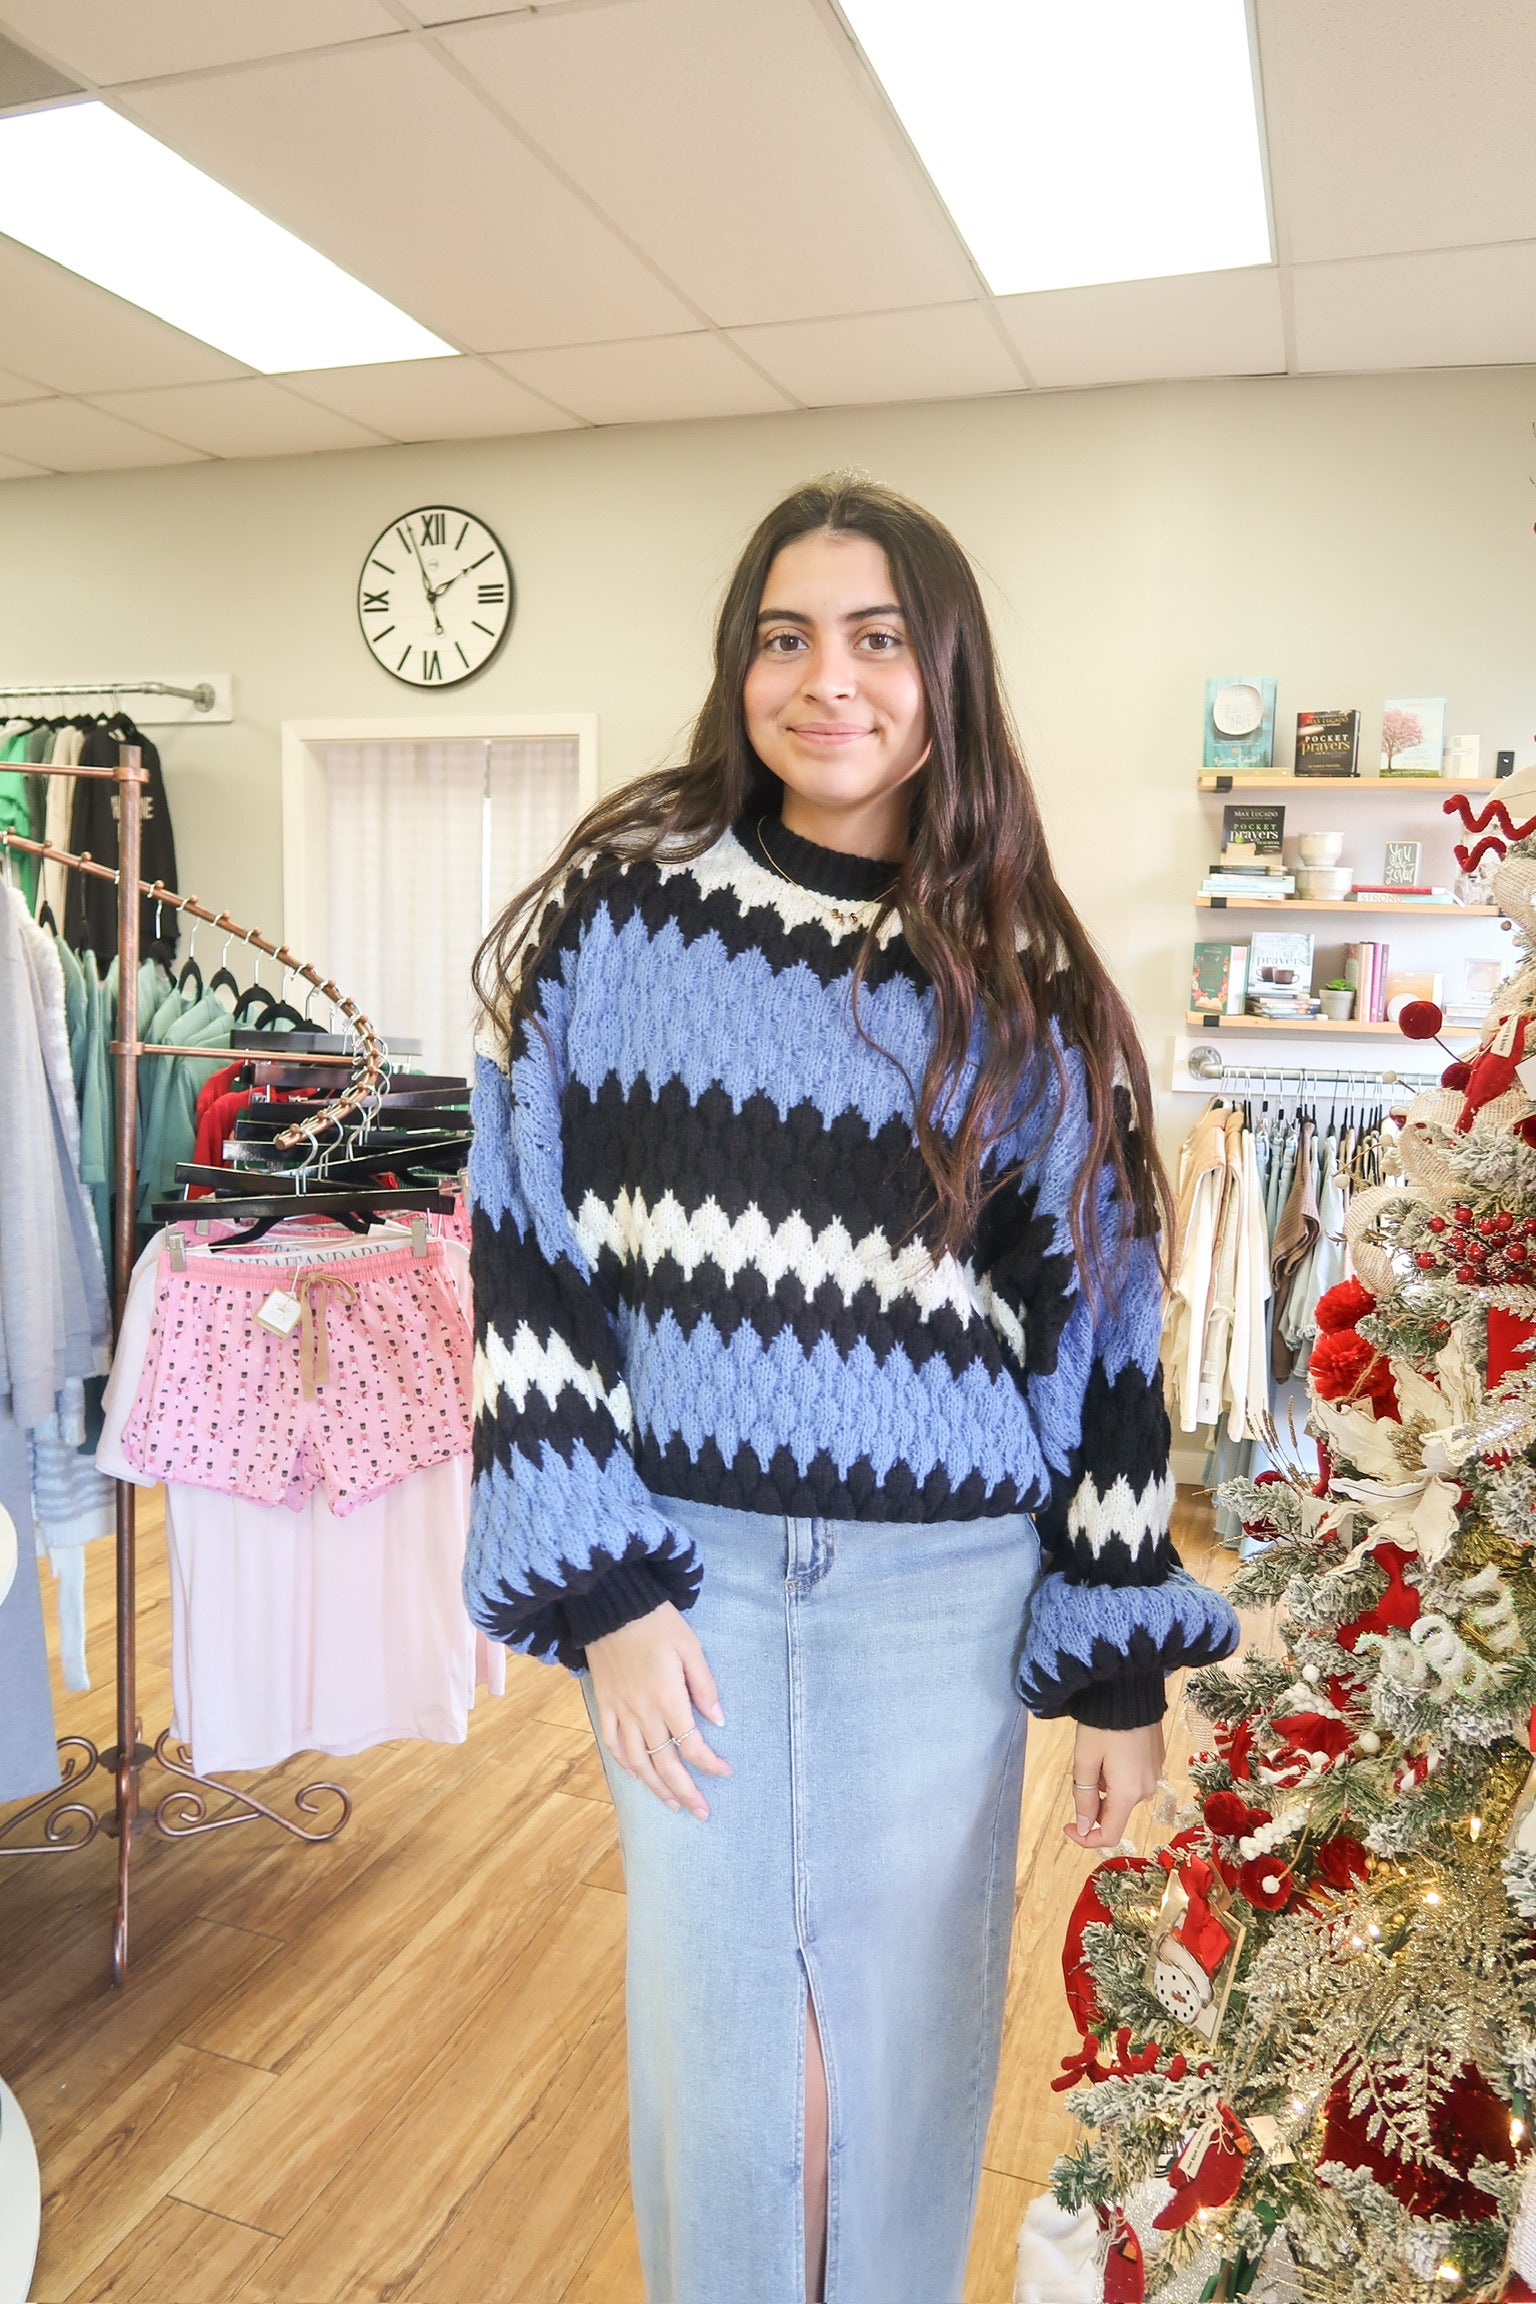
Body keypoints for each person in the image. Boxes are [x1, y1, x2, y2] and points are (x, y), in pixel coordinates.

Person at [464, 474, 1239, 2304]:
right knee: (733, 2083)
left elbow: (1103, 1341)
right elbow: (530, 1263)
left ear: (941, 672)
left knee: (893, 2082)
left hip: (943, 1601)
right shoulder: (619, 922)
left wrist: (1116, 1669)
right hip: (692, 1581)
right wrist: (611, 1596)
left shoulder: (1026, 980)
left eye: (879, 639)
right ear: (741, 667)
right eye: (786, 637)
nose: (831, 681)